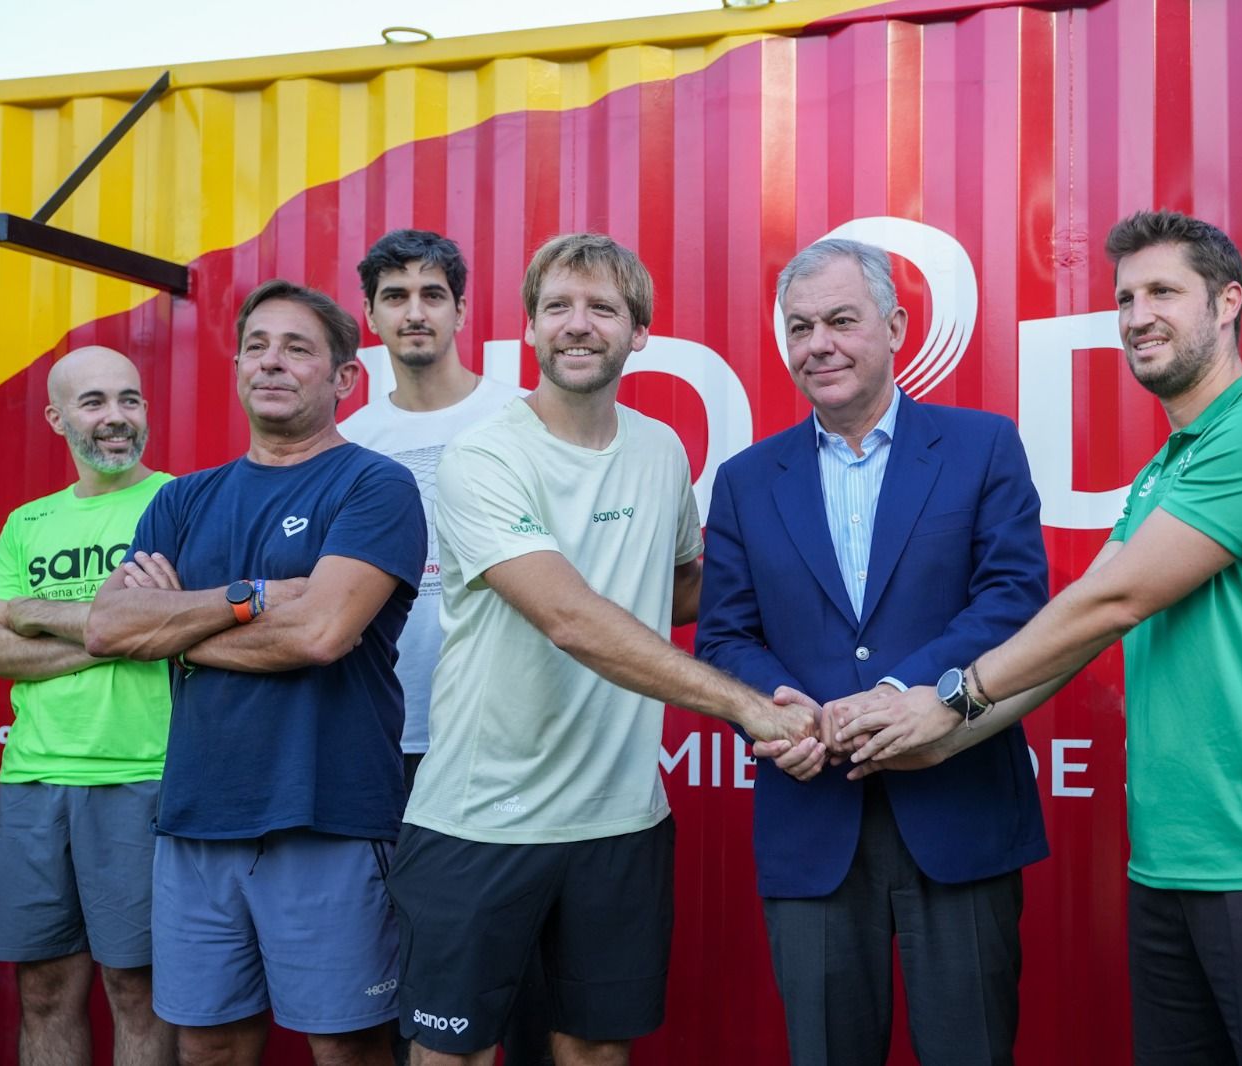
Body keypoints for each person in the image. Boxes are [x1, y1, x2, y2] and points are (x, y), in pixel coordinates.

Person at [833, 211, 1242, 1066]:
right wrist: (941, 742)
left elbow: (1114, 601)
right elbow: (1080, 624)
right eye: (1125, 297)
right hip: (1169, 866)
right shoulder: (1167, 467)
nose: (1136, 315)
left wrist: (949, 699)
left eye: (1163, 291)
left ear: (1227, 302)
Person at [387, 232, 815, 1066]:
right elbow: (569, 617)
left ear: (639, 334)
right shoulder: (485, 455)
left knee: (594, 1052)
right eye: (558, 308)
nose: (578, 326)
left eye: (602, 309)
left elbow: (682, 587)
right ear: (529, 332)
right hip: (482, 818)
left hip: (622, 819)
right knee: (456, 1057)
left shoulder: (661, 451)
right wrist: (744, 703)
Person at [694, 238, 1050, 1066]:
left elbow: (1011, 601)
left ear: (894, 327)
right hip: (810, 817)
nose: (818, 343)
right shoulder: (748, 479)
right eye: (800, 326)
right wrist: (778, 701)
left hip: (959, 813)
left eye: (841, 321)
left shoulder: (982, 446)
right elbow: (724, 635)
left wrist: (900, 690)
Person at [84, 280, 427, 1066]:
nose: (272, 363)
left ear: (344, 379)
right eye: (258, 346)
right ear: (237, 365)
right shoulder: (183, 500)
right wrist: (254, 598)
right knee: (206, 1044)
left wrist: (170, 630)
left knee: (347, 1047)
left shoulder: (375, 486)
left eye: (298, 349)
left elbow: (319, 635)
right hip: (198, 816)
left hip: (328, 813)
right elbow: (108, 625)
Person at [0, 346, 175, 1066]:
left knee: (136, 989)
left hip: (142, 777)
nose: (116, 418)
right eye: (94, 402)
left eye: (129, 399)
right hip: (33, 781)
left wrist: (33, 612)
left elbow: (175, 632)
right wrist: (112, 629)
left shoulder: (178, 503)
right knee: (44, 991)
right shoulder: (27, 523)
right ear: (57, 417)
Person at [341, 228, 521, 792]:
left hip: (498, 727)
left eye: (432, 295)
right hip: (381, 724)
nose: (414, 312)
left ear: (461, 311)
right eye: (395, 296)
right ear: (370, 314)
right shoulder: (349, 442)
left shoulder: (519, 420)